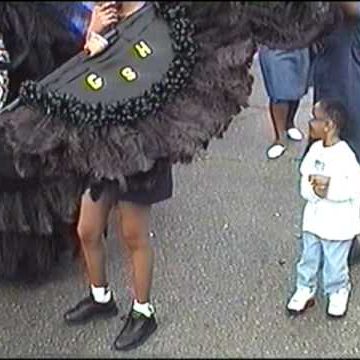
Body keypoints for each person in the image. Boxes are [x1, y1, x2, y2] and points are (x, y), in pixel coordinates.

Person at [62, 2, 170, 352]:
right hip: (102, 141)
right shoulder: (106, 17)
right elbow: (82, 78)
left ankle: (143, 311)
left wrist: (108, 53)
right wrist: (92, 33)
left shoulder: (154, 19)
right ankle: (101, 297)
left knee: (133, 233)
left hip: (141, 145)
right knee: (87, 229)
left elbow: (152, 80)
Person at [287, 99, 360, 318]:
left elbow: (354, 189)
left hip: (338, 225)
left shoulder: (346, 157)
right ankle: (305, 287)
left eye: (314, 119)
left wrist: (328, 190)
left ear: (328, 126)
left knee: (335, 261)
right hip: (314, 221)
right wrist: (312, 191)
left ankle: (338, 289)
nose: (310, 123)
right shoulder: (314, 151)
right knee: (309, 256)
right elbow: (304, 179)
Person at [258, 47, 310, 159]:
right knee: (279, 92)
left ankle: (290, 123)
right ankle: (279, 138)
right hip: (274, 43)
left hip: (300, 42)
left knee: (297, 88)